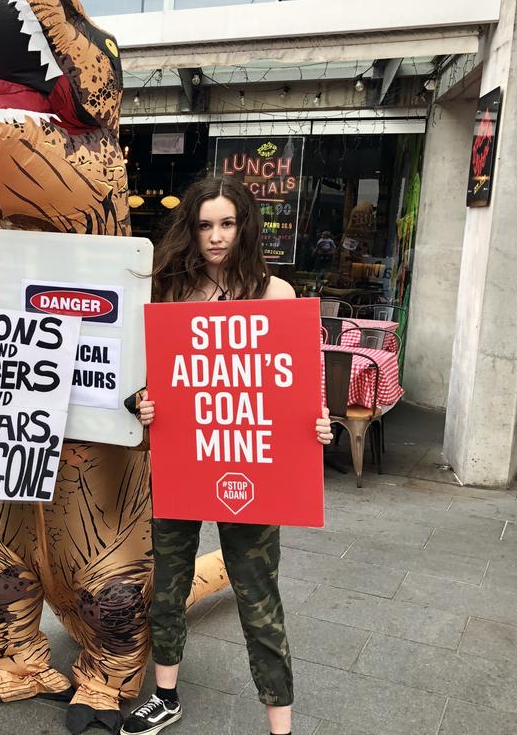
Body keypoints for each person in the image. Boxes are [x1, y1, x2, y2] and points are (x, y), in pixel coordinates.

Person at [120, 177, 333, 735]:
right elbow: (146, 381)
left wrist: (315, 422)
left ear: (246, 226)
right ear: (192, 229)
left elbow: (297, 384)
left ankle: (279, 720)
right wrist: (142, 404)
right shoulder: (171, 292)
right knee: (168, 582)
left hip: (252, 463)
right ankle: (165, 696)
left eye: (227, 223)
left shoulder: (277, 295)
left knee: (258, 594)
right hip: (184, 460)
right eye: (205, 224)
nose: (215, 237)